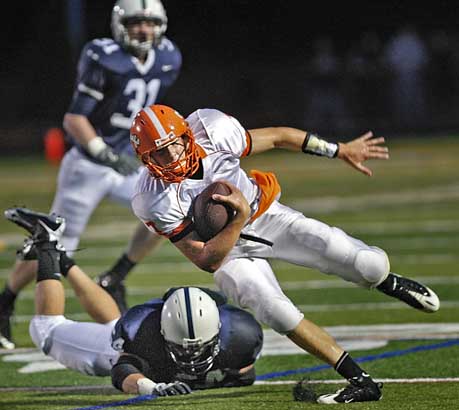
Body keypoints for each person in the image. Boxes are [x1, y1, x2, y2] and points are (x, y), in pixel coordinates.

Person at [128, 104, 440, 404]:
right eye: (158, 152)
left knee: (370, 265)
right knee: (277, 312)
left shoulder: (212, 129)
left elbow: (279, 136)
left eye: (175, 145)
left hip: (267, 217)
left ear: (187, 135)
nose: (171, 156)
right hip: (229, 252)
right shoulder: (151, 198)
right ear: (145, 158)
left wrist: (339, 150)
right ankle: (360, 381)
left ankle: (387, 282)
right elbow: (207, 260)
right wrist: (235, 221)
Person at [0, 0, 182, 348]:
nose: (143, 30)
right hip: (89, 162)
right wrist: (105, 152)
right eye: (135, 23)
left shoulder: (169, 57)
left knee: (168, 211)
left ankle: (115, 277)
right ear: (120, 26)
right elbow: (74, 119)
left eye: (149, 22)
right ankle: (4, 300)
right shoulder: (103, 56)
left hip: (128, 161)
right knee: (53, 242)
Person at [4, 207, 263, 395]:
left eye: (198, 347)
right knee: (45, 330)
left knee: (113, 322)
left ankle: (62, 258)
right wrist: (150, 386)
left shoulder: (241, 333)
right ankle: (47, 246)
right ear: (161, 331)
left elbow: (244, 374)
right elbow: (121, 370)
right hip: (114, 350)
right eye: (183, 347)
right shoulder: (142, 332)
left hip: (133, 335)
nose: (191, 355)